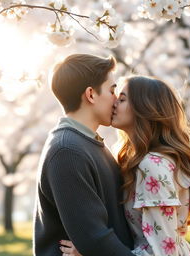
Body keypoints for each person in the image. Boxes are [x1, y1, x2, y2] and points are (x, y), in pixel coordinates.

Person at [60, 75, 190, 256]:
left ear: (144, 108)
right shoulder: (138, 160)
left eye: (122, 99)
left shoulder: (152, 166)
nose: (114, 103)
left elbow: (163, 252)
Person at [33, 54, 135, 256]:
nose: (116, 100)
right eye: (112, 90)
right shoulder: (67, 151)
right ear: (91, 94)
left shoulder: (88, 142)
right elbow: (95, 238)